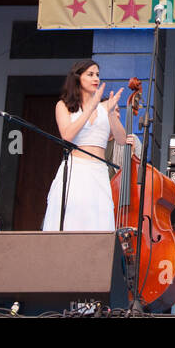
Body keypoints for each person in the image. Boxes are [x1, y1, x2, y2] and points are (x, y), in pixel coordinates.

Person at [42, 60, 127, 231]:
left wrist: (110, 113)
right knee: (72, 222)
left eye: (97, 74)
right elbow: (67, 135)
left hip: (99, 171)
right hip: (76, 170)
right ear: (77, 78)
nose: (95, 78)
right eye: (90, 74)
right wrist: (90, 107)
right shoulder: (64, 105)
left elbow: (121, 139)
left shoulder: (106, 105)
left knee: (99, 223)